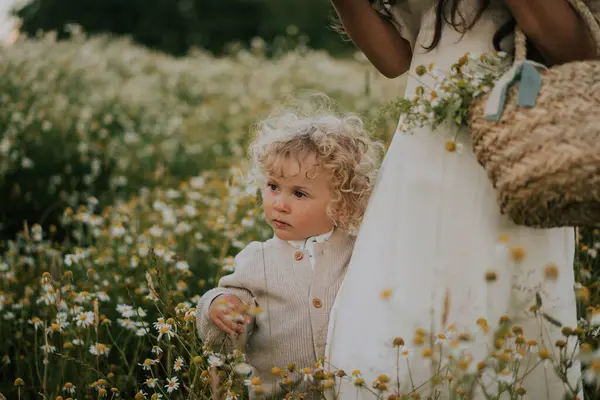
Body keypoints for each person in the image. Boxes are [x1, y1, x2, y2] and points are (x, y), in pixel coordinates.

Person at [326, 0, 600, 398]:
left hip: (514, 154)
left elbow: (579, 51)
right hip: (420, 154)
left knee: (505, 321)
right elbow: (394, 57)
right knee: (394, 322)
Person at [196, 98, 384, 399]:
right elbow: (221, 337)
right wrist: (218, 307)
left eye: (299, 193)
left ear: (341, 201)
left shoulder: (358, 252)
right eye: (272, 187)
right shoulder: (258, 259)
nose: (279, 204)